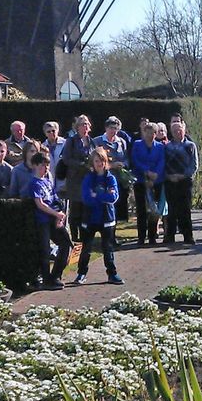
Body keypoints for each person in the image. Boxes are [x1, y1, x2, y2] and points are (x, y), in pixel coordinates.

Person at [73, 148, 124, 285]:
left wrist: (97, 195)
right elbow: (86, 198)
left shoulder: (110, 178)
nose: (99, 163)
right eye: (96, 161)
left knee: (107, 248)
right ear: (92, 163)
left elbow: (113, 197)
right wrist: (102, 196)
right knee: (86, 249)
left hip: (107, 218)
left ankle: (112, 274)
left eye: (101, 160)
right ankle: (81, 274)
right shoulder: (88, 178)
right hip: (89, 218)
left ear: (106, 161)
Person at [29, 152, 70, 291]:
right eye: (42, 166)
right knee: (45, 250)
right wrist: (55, 214)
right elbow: (40, 204)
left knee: (65, 243)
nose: (45, 169)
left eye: (47, 166)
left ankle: (56, 275)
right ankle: (46, 279)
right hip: (43, 221)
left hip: (54, 219)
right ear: (34, 166)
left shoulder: (47, 181)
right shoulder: (34, 183)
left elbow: (55, 199)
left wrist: (60, 213)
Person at [162, 121, 198, 245]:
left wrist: (182, 175)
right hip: (170, 181)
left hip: (185, 182)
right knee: (171, 210)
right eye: (175, 130)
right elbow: (163, 164)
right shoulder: (167, 147)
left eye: (180, 129)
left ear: (184, 130)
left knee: (185, 210)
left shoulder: (191, 146)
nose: (178, 132)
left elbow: (194, 165)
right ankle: (169, 236)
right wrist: (169, 176)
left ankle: (188, 236)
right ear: (171, 132)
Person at [60, 115, 95, 238]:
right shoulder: (72, 140)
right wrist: (81, 165)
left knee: (86, 208)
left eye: (86, 124)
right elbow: (66, 159)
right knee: (75, 210)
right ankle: (74, 238)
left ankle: (85, 235)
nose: (85, 126)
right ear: (77, 127)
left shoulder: (91, 141)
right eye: (82, 124)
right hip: (75, 179)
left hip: (88, 178)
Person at [131, 122, 165, 244]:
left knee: (153, 210)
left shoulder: (160, 146)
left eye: (153, 133)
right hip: (140, 180)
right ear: (144, 132)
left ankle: (152, 236)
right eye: (147, 132)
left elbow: (161, 161)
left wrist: (155, 174)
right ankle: (141, 237)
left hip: (156, 181)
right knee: (141, 210)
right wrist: (146, 171)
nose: (150, 135)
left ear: (156, 134)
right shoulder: (137, 145)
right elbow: (135, 160)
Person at [93, 116, 130, 223]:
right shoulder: (97, 141)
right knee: (106, 205)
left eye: (115, 128)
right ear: (106, 128)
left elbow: (127, 158)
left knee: (119, 206)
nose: (113, 130)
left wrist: (123, 164)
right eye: (111, 128)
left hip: (120, 179)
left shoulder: (122, 142)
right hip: (104, 179)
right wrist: (111, 165)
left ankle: (115, 230)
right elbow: (94, 161)